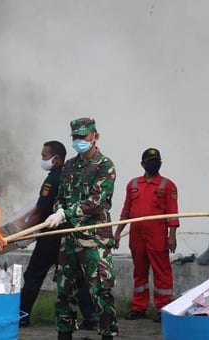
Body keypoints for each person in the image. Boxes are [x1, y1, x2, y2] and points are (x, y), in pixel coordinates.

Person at [44, 118, 118, 340]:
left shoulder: (105, 165)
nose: (79, 141)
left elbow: (96, 200)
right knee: (64, 291)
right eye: (75, 137)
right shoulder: (69, 166)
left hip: (95, 240)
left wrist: (67, 213)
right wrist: (58, 211)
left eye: (83, 137)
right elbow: (60, 197)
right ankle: (64, 334)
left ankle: (107, 335)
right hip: (70, 238)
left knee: (100, 292)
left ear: (95, 136)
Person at [19, 141, 98, 329]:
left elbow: (40, 210)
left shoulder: (53, 179)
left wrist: (22, 235)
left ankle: (22, 315)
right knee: (78, 276)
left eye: (44, 156)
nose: (42, 160)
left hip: (52, 236)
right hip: (71, 235)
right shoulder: (72, 176)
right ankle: (92, 317)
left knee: (34, 274)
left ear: (56, 159)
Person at [114, 148, 179, 323]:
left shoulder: (167, 185)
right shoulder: (133, 184)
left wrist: (171, 235)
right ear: (143, 164)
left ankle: (163, 307)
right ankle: (138, 307)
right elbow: (126, 210)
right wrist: (118, 232)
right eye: (150, 161)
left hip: (157, 233)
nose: (154, 164)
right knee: (139, 271)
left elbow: (172, 212)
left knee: (161, 271)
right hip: (136, 234)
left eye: (157, 160)